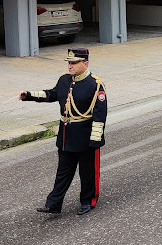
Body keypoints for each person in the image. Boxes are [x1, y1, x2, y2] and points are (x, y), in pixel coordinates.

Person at [20, 48, 106, 216]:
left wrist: (95, 140)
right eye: (69, 63)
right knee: (62, 173)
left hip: (85, 137)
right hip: (67, 137)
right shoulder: (65, 80)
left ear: (85, 63)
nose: (70, 66)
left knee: (87, 173)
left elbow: (100, 114)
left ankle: (88, 201)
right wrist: (29, 95)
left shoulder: (95, 84)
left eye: (74, 63)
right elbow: (52, 94)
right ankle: (54, 204)